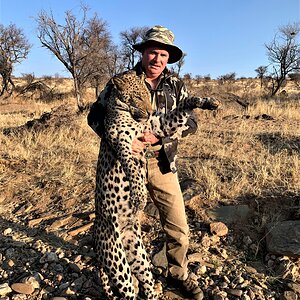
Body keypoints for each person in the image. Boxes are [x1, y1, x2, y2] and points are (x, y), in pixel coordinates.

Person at [88, 25, 219, 300]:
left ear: (169, 58)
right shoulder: (120, 82)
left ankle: (178, 275)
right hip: (122, 165)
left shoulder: (177, 86)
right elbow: (95, 117)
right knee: (122, 226)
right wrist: (121, 139)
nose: (157, 59)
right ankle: (122, 278)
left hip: (161, 162)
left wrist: (159, 135)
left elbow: (191, 123)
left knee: (178, 225)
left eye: (163, 54)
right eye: (152, 52)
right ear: (143, 53)